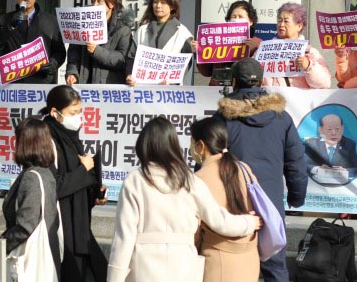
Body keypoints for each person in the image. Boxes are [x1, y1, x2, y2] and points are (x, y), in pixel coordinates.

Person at [106, 117, 261, 282]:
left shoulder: (135, 180)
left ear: (143, 145)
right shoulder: (190, 181)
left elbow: (124, 238)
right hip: (184, 267)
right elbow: (220, 221)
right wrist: (249, 222)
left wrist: (114, 278)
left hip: (144, 269)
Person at [217, 58, 307, 282]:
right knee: (275, 266)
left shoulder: (223, 117)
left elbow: (208, 160)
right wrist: (297, 197)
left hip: (232, 202)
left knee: (233, 264)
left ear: (235, 82)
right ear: (261, 82)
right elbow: (295, 162)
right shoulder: (281, 117)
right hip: (271, 203)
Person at [41, 85, 107, 281]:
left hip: (79, 228)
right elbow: (53, 186)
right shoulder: (47, 141)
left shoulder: (72, 139)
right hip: (62, 227)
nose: (78, 118)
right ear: (55, 112)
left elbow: (75, 185)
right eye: (73, 112)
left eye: (80, 112)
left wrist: (94, 193)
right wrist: (83, 170)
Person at [191, 117, 260, 282]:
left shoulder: (199, 178)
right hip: (250, 258)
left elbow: (194, 228)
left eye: (192, 143)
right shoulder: (244, 168)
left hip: (217, 261)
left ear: (200, 146)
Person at [2, 117, 62, 280]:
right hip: (46, 257)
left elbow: (26, 225)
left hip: (29, 262)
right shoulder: (46, 174)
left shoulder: (32, 178)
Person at [0, 0, 66, 84]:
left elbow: (60, 52)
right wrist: (9, 27)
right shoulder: (3, 20)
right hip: (12, 86)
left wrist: (54, 63)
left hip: (42, 84)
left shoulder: (51, 21)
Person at [126, 0, 194, 86]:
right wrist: (130, 75)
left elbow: (185, 63)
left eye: (163, 2)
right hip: (143, 89)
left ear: (172, 6)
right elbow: (131, 57)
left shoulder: (183, 32)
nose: (158, 6)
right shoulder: (142, 30)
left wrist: (171, 81)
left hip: (169, 90)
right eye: (155, 1)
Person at [66, 0, 135, 85]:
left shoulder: (123, 30)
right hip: (83, 86)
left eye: (99, 1)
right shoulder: (82, 25)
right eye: (93, 0)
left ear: (111, 4)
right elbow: (74, 53)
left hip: (108, 89)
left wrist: (96, 51)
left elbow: (123, 59)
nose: (94, 5)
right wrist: (72, 73)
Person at [263, 2, 331, 89]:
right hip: (271, 101)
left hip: (298, 102)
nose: (281, 24)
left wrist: (308, 66)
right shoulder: (266, 50)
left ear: (299, 26)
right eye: (279, 21)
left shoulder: (309, 52)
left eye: (286, 21)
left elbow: (325, 84)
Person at [195, 0, 263, 87]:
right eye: (233, 16)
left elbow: (259, 74)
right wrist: (199, 52)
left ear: (251, 21)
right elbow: (206, 72)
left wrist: (253, 50)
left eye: (240, 16)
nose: (236, 19)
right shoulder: (217, 41)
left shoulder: (258, 43)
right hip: (217, 90)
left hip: (242, 93)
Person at [304, 114, 357, 182]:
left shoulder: (349, 144)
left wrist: (345, 171)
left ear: (342, 129)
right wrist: (317, 169)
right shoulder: (312, 144)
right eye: (329, 129)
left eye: (337, 129)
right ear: (321, 130)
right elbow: (302, 165)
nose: (333, 133)